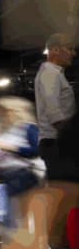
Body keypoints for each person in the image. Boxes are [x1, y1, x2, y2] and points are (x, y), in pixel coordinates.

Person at [0, 96, 47, 249]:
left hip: (24, 174)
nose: (2, 115)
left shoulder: (28, 128)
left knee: (16, 215)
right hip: (10, 176)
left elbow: (35, 150)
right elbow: (5, 153)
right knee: (14, 215)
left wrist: (11, 147)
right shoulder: (7, 130)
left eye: (5, 112)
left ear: (14, 112)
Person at [34, 33, 76, 177]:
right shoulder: (50, 73)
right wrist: (70, 137)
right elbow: (53, 111)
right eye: (70, 49)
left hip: (57, 143)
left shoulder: (54, 73)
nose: (73, 53)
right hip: (56, 144)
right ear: (56, 50)